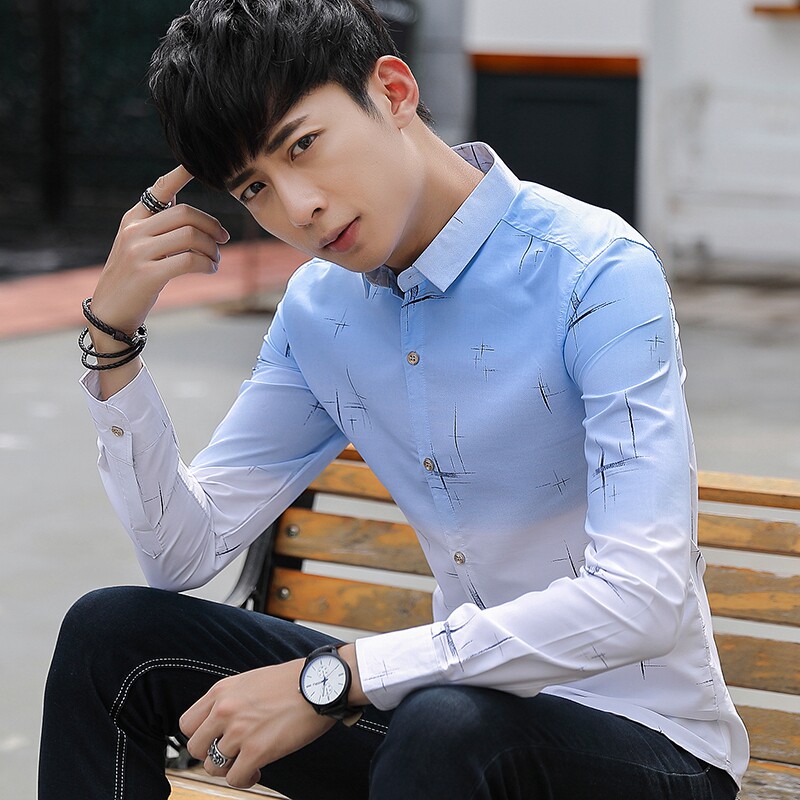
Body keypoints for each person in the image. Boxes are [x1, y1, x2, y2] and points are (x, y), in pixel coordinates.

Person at [38, 1, 747, 798]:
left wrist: (341, 677)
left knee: (448, 726)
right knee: (112, 637)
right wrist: (113, 337)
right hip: (447, 726)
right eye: (255, 187)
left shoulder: (594, 270)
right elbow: (181, 555)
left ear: (394, 91)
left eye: (303, 145)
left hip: (649, 745)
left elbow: (643, 601)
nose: (297, 208)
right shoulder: (321, 312)